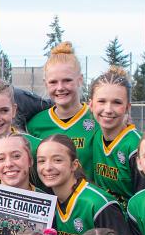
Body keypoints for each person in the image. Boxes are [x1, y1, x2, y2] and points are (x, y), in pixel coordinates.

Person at [36, 134, 134, 235]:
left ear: (74, 165)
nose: (48, 167)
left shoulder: (97, 203)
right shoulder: (49, 202)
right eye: (41, 161)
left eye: (57, 160)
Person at [25, 42, 96, 175]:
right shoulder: (35, 124)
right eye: (53, 82)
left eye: (67, 80)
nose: (60, 87)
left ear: (80, 80)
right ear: (46, 84)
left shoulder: (96, 120)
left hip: (86, 195)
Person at [86, 66, 144, 209]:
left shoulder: (137, 146)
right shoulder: (95, 135)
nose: (108, 109)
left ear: (127, 107)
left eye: (117, 102)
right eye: (102, 101)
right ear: (91, 105)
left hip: (131, 226)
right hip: (104, 220)